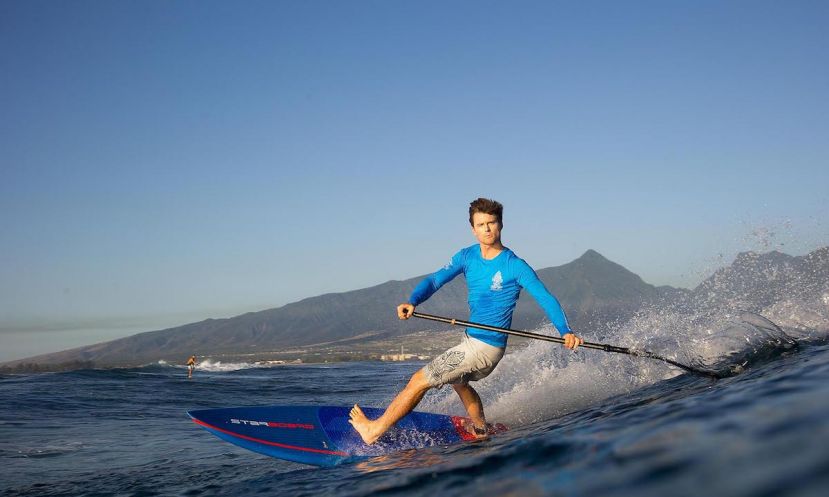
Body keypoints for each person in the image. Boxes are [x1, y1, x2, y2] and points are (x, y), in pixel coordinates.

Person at [349, 198, 583, 444]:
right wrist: (414, 300)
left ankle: (374, 431)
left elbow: (546, 298)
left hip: (485, 347)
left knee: (418, 381)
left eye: (491, 223)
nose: (487, 229)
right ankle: (481, 429)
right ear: (473, 229)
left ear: (501, 224)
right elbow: (435, 280)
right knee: (459, 383)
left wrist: (565, 330)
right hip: (472, 340)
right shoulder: (466, 256)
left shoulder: (515, 266)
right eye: (481, 224)